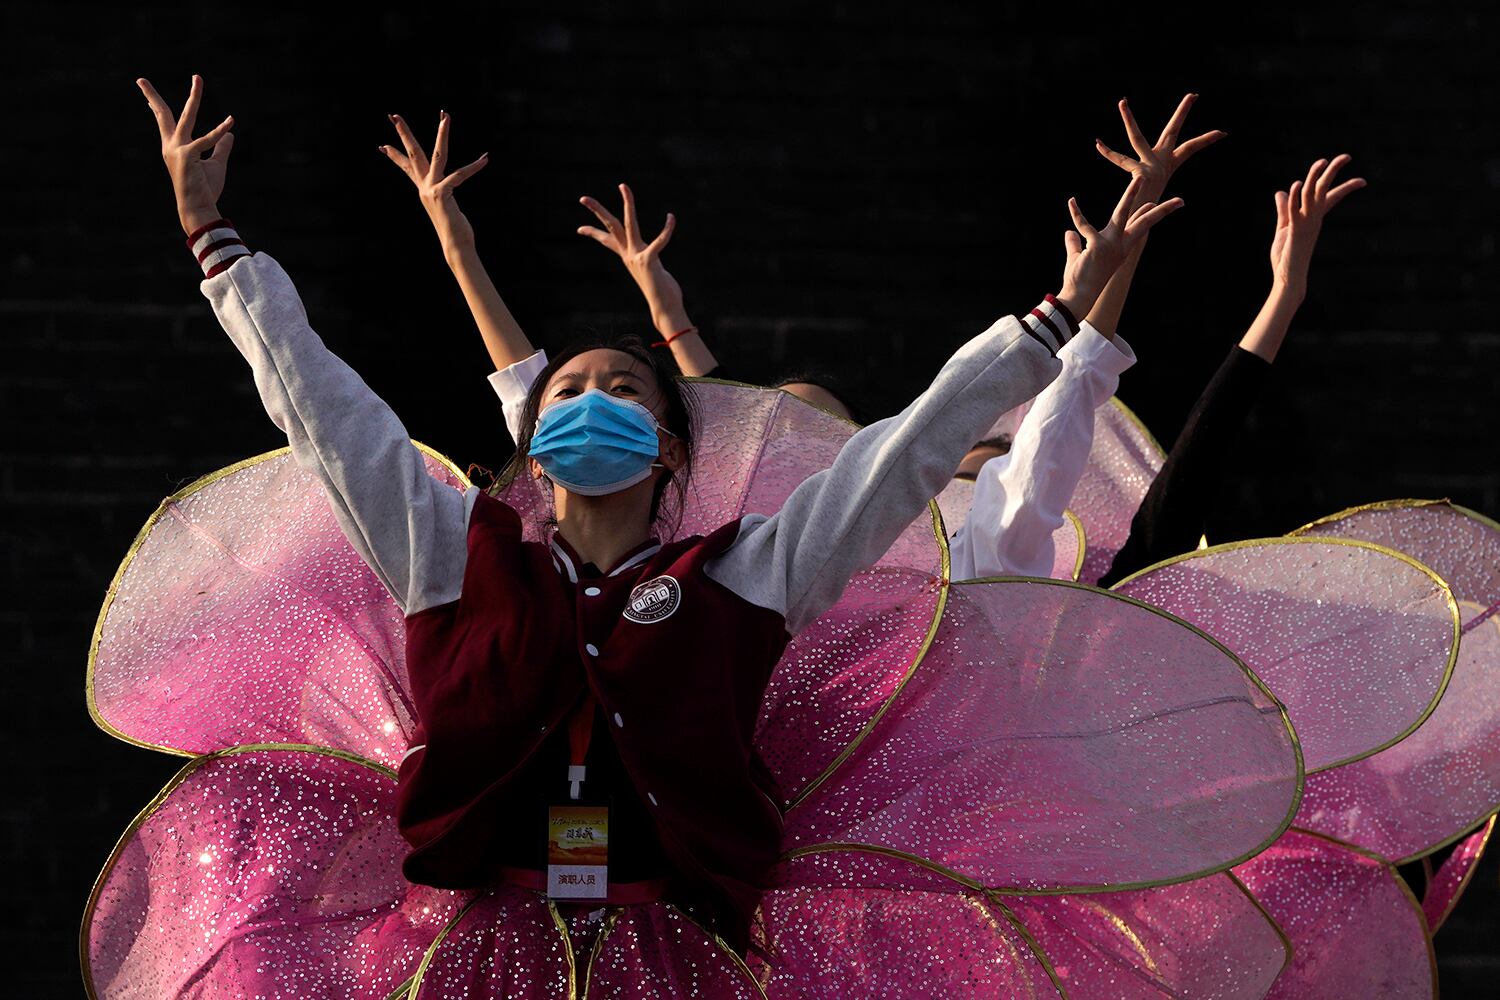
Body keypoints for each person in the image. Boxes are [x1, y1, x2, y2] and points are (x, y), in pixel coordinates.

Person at [141, 74, 1179, 954]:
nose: (596, 401)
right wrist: (216, 243)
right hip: (481, 943)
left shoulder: (743, 574)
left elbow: (901, 455)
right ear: (533, 444)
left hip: (677, 953)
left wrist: (1049, 324)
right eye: (572, 392)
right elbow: (323, 411)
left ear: (673, 446)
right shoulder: (452, 551)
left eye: (626, 390)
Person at [390, 97, 1214, 578]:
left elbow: (1065, 395)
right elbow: (543, 400)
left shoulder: (943, 544)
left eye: (815, 433)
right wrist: (662, 309)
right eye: (779, 428)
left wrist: (1113, 254)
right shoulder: (710, 543)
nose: (784, 436)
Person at [1098, 151, 1365, 585]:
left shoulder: (1106, 616)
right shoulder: (953, 590)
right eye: (968, 480)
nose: (985, 492)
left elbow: (1197, 458)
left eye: (988, 473)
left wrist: (1284, 294)